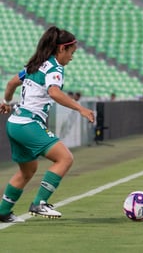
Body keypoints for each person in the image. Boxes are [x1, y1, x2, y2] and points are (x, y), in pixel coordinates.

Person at [0, 26, 95, 223]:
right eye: (71, 52)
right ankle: (39, 203)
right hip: (28, 124)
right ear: (61, 49)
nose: (71, 57)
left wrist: (6, 102)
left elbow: (10, 84)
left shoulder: (34, 65)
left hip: (15, 124)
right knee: (65, 159)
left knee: (27, 171)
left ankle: (3, 211)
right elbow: (54, 92)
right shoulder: (54, 68)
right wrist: (81, 109)